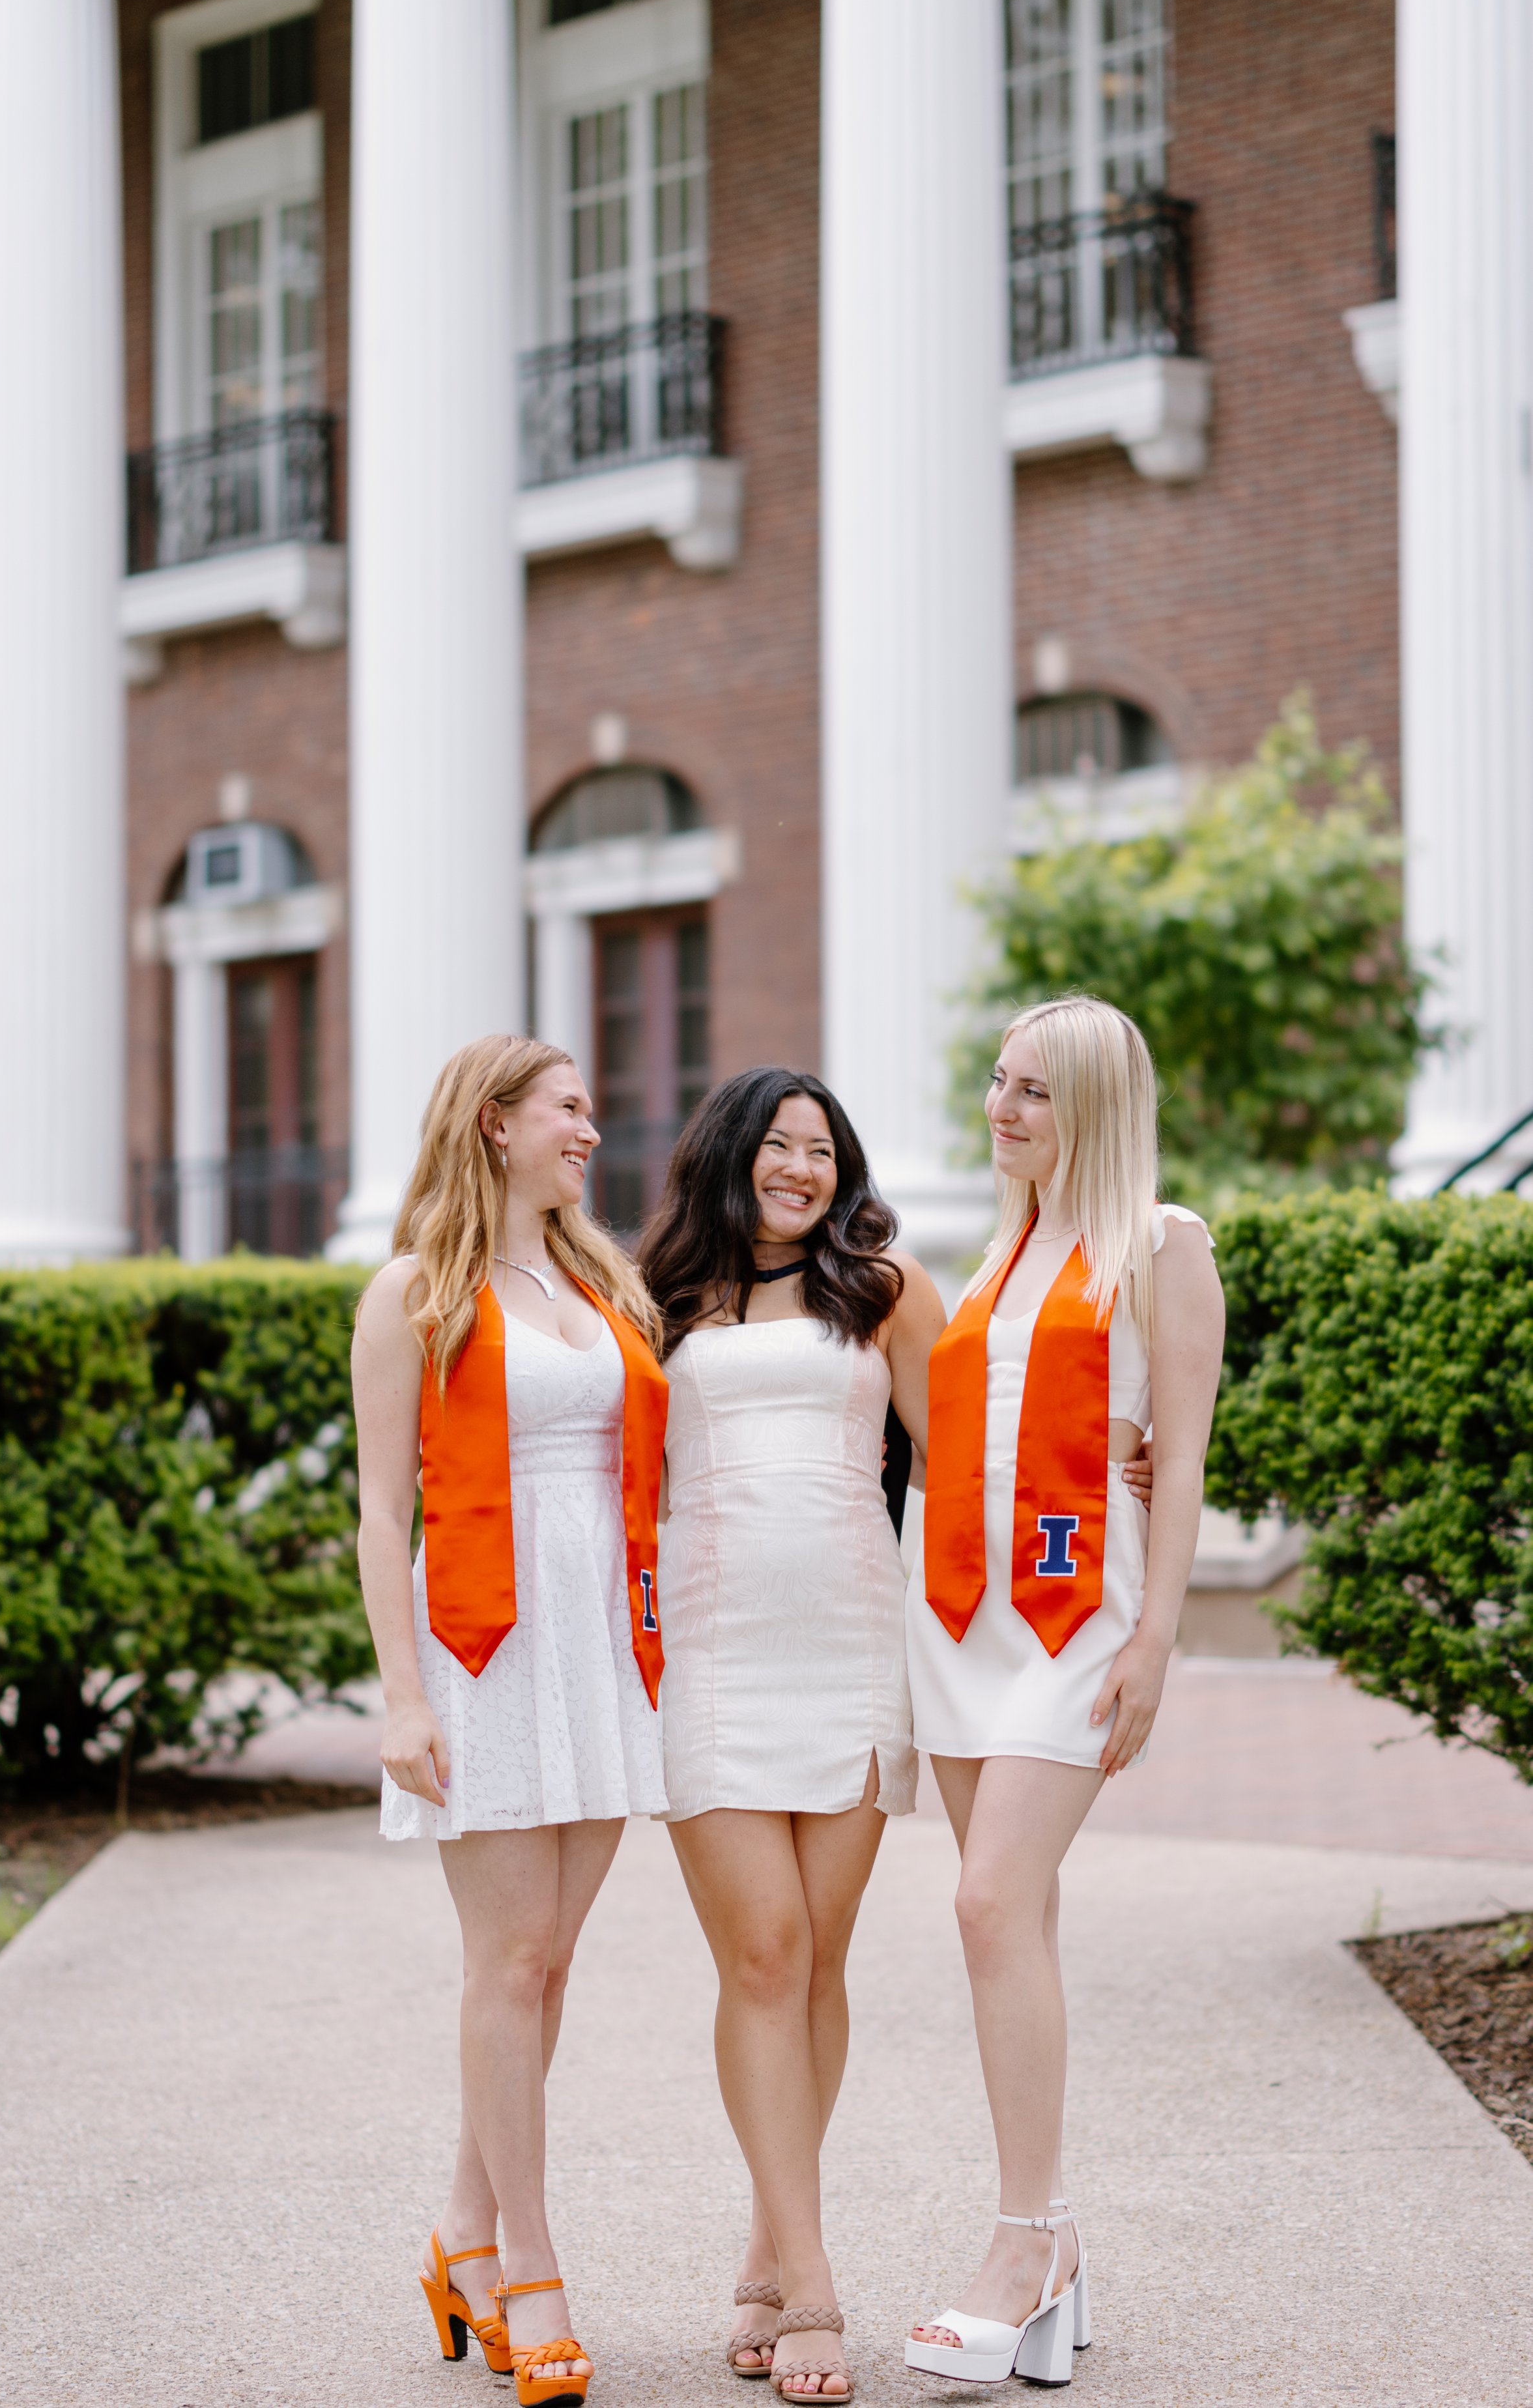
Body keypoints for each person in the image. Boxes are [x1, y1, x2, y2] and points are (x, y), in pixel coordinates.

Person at [902, 995, 1225, 2389]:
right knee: (1004, 1915)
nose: (1002, 1107)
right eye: (996, 1081)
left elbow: (1183, 1456)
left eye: (1032, 1089)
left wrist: (1156, 1635)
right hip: (958, 1616)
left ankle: (1020, 2240)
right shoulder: (996, 1258)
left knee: (985, 1901)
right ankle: (1055, 2246)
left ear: (1091, 1103)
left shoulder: (1161, 1245)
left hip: (1075, 1615)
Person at [352, 1034, 669, 2408]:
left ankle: (459, 2243)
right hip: (479, 1639)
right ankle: (527, 2268)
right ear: (495, 1124)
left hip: (598, 1636)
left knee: (550, 1967)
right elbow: (379, 1513)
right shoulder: (412, 1293)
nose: (591, 1131)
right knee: (510, 1954)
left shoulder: (603, 1280)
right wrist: (401, 1694)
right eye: (568, 1109)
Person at [637, 1068, 945, 2402]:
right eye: (778, 1145)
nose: (801, 1169)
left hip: (849, 1650)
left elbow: (966, 1463)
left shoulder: (881, 1291)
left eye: (822, 1150)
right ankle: (812, 2283)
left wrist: (1123, 1467)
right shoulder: (656, 1304)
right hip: (708, 1661)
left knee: (818, 1964)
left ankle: (770, 2244)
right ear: (728, 1154)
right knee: (762, 1956)